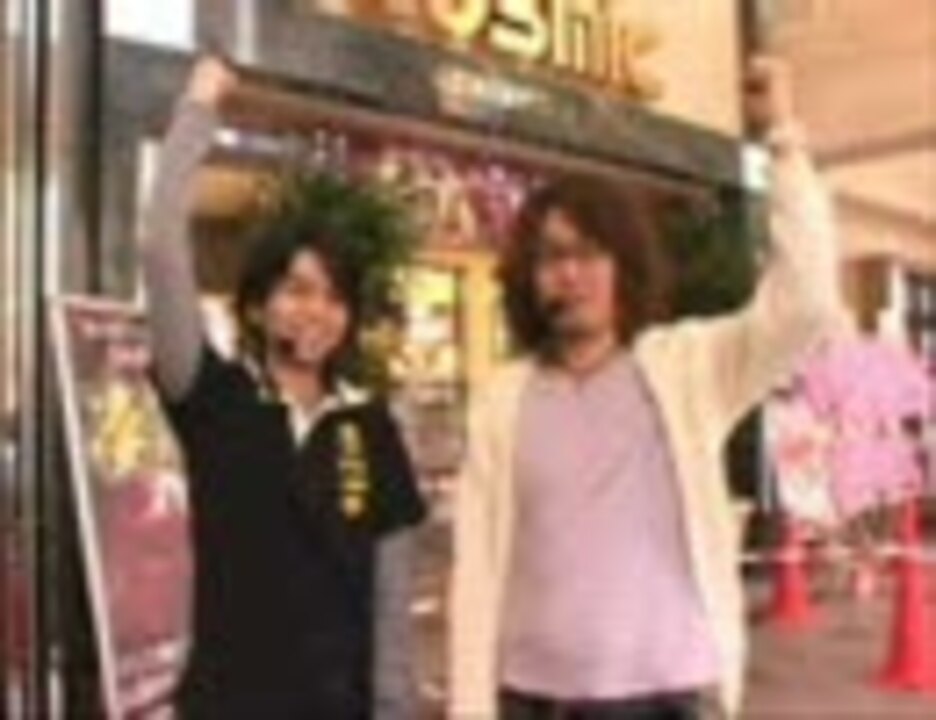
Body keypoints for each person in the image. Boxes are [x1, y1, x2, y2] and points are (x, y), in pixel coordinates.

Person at [448, 58, 841, 720]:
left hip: (670, 694)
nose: (570, 274)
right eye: (551, 256)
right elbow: (478, 568)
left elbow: (805, 306)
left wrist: (783, 140)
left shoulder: (688, 367)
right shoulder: (502, 400)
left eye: (589, 253)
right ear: (527, 277)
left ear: (623, 265)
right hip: (533, 698)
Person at [139, 57, 427, 719]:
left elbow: (391, 601)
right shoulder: (211, 397)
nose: (316, 311)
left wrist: (396, 709)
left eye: (334, 296)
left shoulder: (371, 426)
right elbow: (159, 245)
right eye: (297, 290)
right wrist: (200, 104)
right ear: (259, 305)